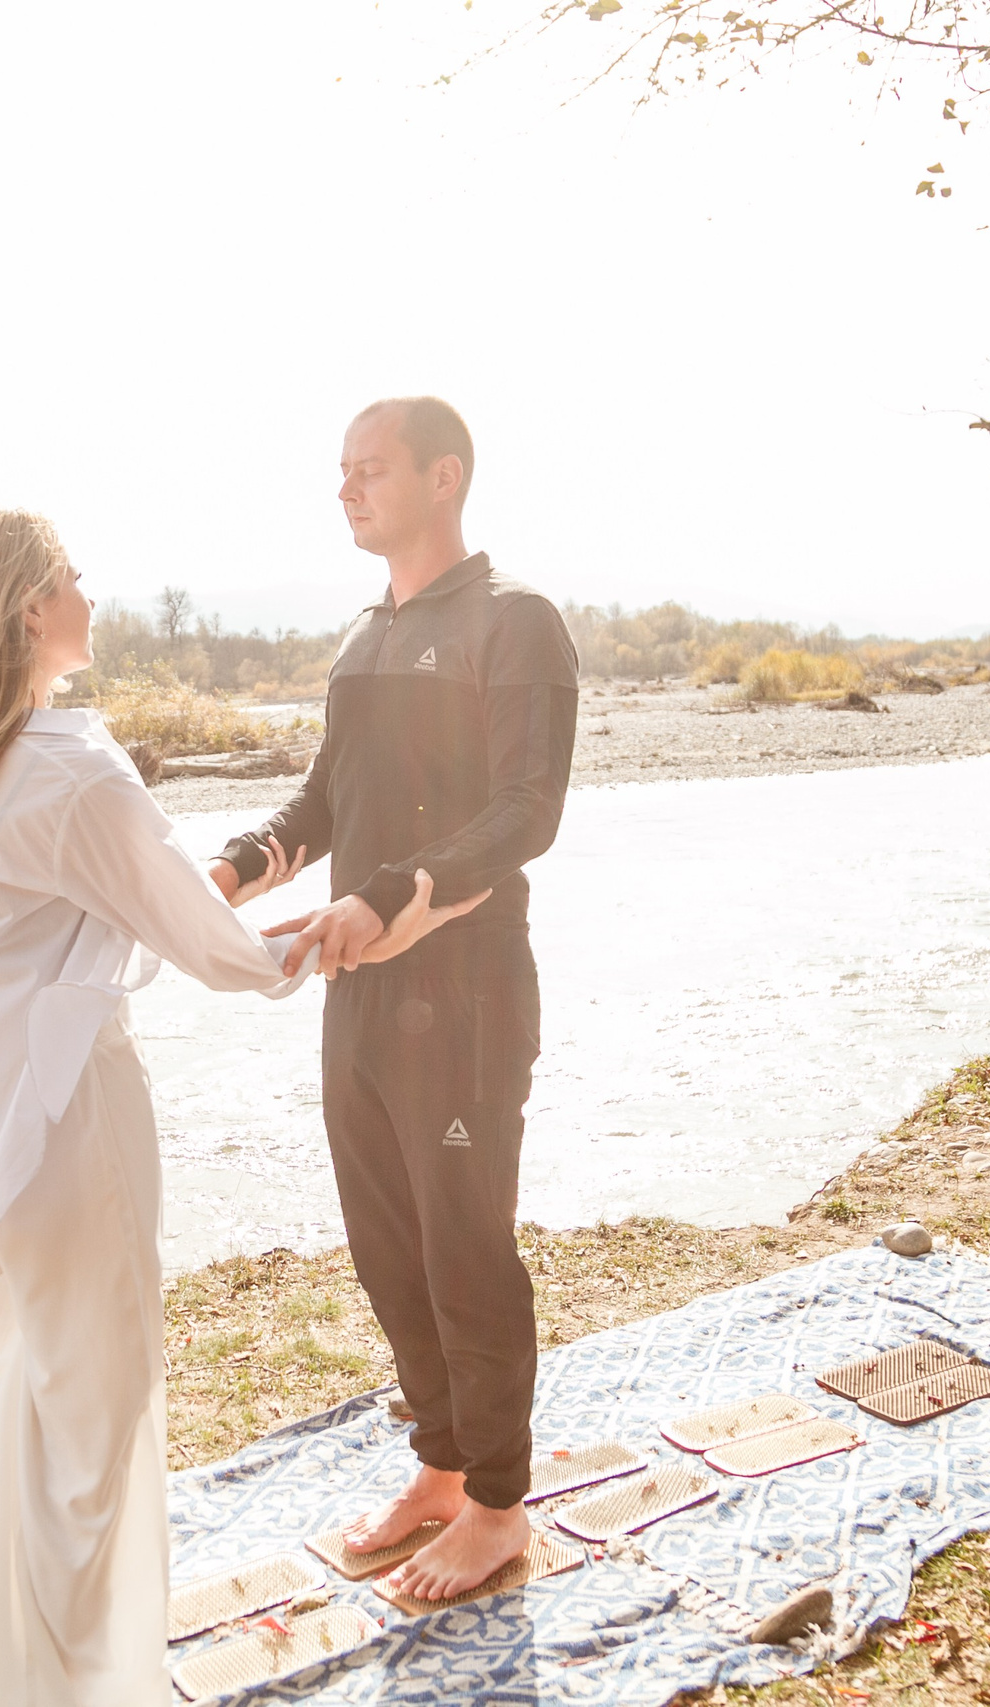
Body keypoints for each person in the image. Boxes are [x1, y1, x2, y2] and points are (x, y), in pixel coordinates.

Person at [0, 508, 480, 1707]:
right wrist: (354, 929)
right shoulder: (68, 764)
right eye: (73, 577)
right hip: (66, 1120)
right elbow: (203, 938)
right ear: (31, 609)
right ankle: (77, 1678)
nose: (92, 592)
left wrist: (246, 878)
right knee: (97, 1401)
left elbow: (102, 907)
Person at [208, 397, 580, 1603]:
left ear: (443, 477)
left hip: (464, 997)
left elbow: (526, 812)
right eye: (341, 470)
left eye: (369, 470)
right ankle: (436, 1465)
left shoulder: (515, 622)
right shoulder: (365, 637)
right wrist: (231, 868)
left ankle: (498, 1504)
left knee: (464, 1243)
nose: (346, 489)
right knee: (387, 1244)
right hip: (358, 991)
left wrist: (386, 897)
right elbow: (323, 802)